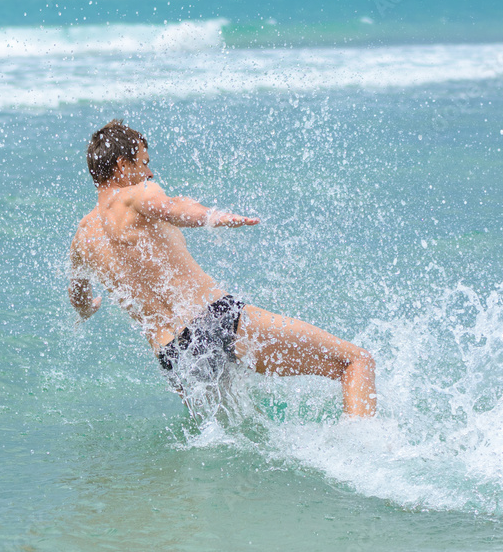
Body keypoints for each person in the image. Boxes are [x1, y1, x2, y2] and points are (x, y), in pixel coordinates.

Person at [68, 119, 376, 418]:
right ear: (122, 166)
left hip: (175, 356)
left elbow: (78, 296)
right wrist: (215, 217)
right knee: (355, 362)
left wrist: (87, 309)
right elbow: (174, 208)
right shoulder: (136, 193)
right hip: (213, 318)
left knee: (234, 434)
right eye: (144, 162)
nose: (148, 172)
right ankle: (365, 451)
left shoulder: (83, 239)